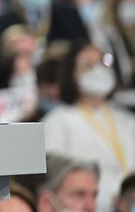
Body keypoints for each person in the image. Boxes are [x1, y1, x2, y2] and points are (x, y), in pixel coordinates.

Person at [43, 41, 135, 210]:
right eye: (88, 64)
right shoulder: (58, 121)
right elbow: (56, 176)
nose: (98, 70)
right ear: (72, 73)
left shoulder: (127, 120)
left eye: (103, 62)